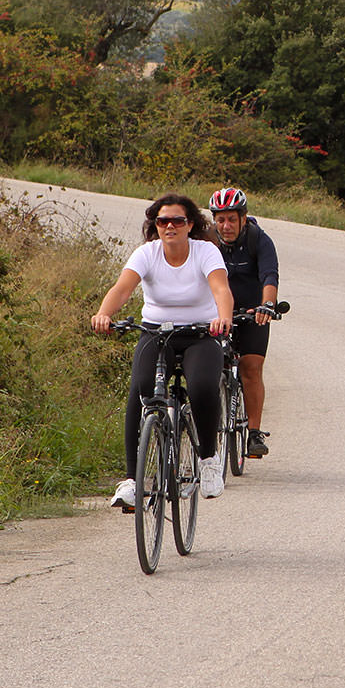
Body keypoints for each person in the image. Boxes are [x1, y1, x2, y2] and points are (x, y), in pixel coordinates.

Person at [92, 193, 232, 505]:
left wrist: (223, 317)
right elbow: (123, 288)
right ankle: (131, 480)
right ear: (155, 226)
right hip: (156, 332)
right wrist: (105, 313)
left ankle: (208, 461)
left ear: (190, 224)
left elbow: (221, 288)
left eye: (177, 221)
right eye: (162, 221)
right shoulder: (147, 253)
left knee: (204, 387)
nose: (169, 226)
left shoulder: (205, 251)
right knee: (140, 389)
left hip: (200, 333)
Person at [210, 187, 281, 457]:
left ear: (243, 218)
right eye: (220, 219)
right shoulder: (206, 242)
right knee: (207, 365)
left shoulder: (259, 240)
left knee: (251, 368)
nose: (226, 226)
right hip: (217, 313)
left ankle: (253, 432)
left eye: (231, 219)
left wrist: (267, 306)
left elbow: (269, 277)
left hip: (253, 312)